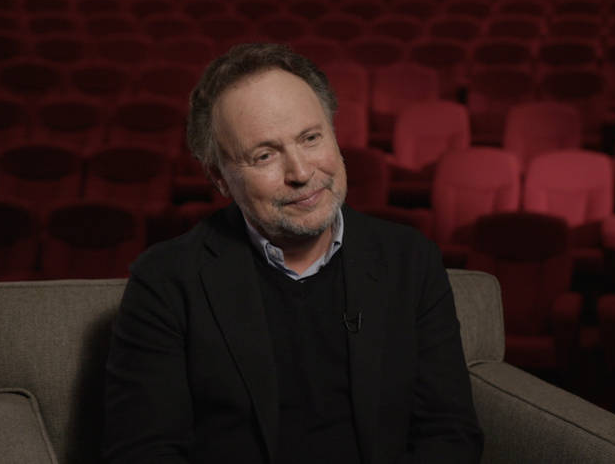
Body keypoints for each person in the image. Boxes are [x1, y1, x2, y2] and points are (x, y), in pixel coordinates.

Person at [102, 43, 483, 464]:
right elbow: (142, 453)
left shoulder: (410, 259)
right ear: (219, 178)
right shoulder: (164, 280)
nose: (301, 173)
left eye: (310, 138)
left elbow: (449, 434)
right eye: (264, 155)